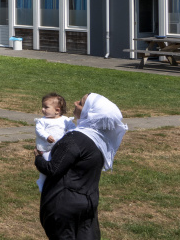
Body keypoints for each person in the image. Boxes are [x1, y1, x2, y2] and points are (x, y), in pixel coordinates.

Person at [35, 93, 127, 240]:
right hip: (88, 202)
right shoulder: (99, 138)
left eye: (81, 103)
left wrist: (38, 157)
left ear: (90, 112)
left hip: (65, 205)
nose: (75, 103)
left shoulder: (75, 139)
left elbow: (52, 168)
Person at [35, 93, 73, 191]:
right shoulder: (43, 121)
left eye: (46, 107)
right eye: (42, 107)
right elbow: (39, 130)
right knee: (46, 165)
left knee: (60, 165)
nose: (42, 109)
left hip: (60, 148)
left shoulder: (65, 120)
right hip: (46, 148)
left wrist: (69, 133)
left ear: (57, 110)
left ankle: (58, 183)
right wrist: (46, 136)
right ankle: (42, 182)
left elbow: (73, 129)